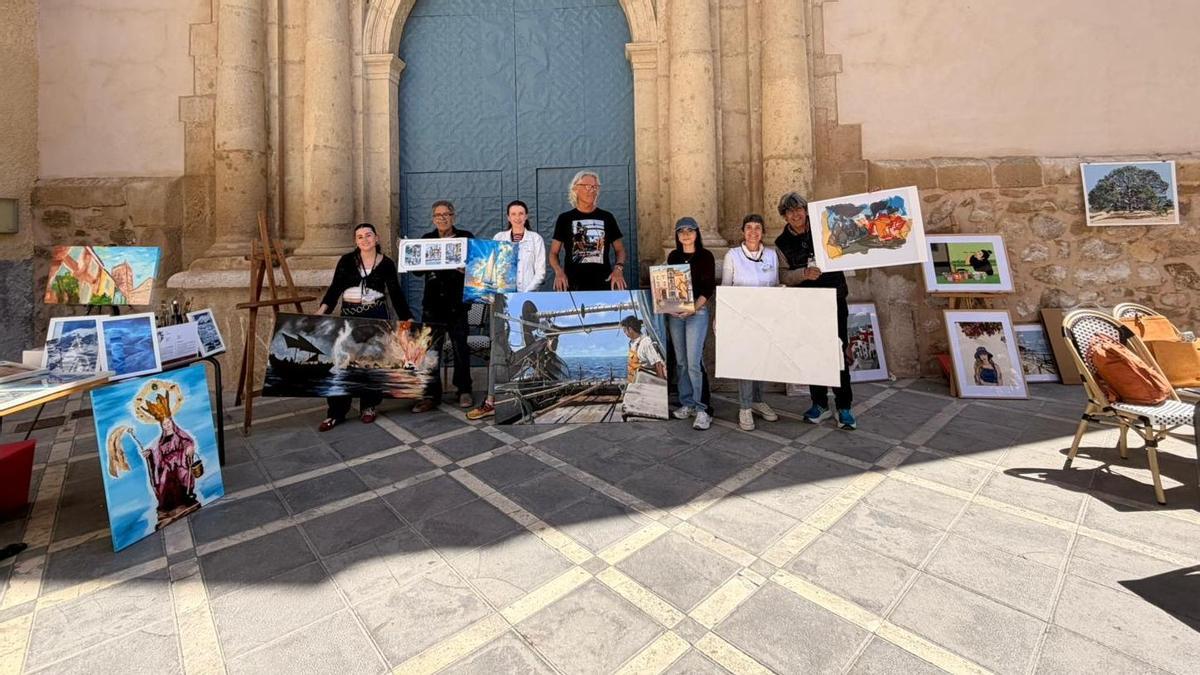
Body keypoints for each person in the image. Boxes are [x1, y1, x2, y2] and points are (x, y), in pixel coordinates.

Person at [316, 223, 412, 431]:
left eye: (368, 235)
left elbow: (395, 293)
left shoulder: (386, 263)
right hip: (349, 317)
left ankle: (368, 406)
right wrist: (320, 312)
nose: (365, 239)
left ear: (376, 238)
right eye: (360, 237)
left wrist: (407, 318)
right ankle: (335, 412)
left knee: (371, 362)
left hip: (375, 316)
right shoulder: (346, 261)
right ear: (356, 241)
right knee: (343, 363)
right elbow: (334, 289)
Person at [775, 192, 857, 430]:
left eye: (799, 209)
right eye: (790, 211)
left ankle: (844, 407)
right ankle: (819, 404)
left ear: (806, 210)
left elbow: (855, 224)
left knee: (838, 351)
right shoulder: (781, 243)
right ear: (785, 216)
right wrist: (802, 274)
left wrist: (873, 198)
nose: (796, 214)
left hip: (834, 297)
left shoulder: (826, 228)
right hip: (807, 302)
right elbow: (782, 275)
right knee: (812, 352)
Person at [467, 200, 547, 420]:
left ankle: (531, 393)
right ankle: (491, 400)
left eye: (521, 213)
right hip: (500, 302)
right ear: (508, 216)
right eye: (514, 213)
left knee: (527, 342)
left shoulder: (536, 239)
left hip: (524, 300)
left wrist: (523, 294)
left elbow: (540, 272)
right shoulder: (499, 238)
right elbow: (489, 269)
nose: (518, 217)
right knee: (498, 347)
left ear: (527, 216)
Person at [412, 201, 474, 413]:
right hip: (432, 305)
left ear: (453, 216)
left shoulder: (466, 238)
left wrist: (466, 270)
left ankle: (464, 389)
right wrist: (409, 255)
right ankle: (431, 395)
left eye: (446, 214)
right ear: (433, 219)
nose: (442, 218)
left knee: (460, 349)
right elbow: (416, 272)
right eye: (438, 215)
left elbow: (477, 268)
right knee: (431, 353)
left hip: (458, 304)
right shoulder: (426, 240)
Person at [721, 214, 781, 432]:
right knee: (746, 362)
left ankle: (757, 400)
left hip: (765, 318)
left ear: (763, 232)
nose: (753, 232)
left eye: (757, 228)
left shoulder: (772, 256)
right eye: (749, 228)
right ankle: (745, 407)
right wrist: (722, 318)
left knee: (762, 360)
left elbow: (775, 284)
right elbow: (726, 288)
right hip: (741, 318)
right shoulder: (733, 255)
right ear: (742, 232)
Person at [666, 217, 715, 431]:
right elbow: (668, 285)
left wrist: (693, 308)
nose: (685, 234)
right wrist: (670, 306)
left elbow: (707, 288)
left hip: (698, 312)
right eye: (681, 231)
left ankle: (703, 408)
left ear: (697, 233)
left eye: (690, 230)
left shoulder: (706, 256)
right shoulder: (673, 256)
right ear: (677, 236)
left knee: (695, 361)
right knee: (681, 361)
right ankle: (687, 403)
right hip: (676, 314)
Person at [549, 171, 627, 291]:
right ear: (575, 189)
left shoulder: (607, 217)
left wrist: (618, 269)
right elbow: (553, 253)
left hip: (603, 284)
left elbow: (620, 249)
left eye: (595, 187)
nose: (591, 190)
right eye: (587, 186)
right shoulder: (564, 219)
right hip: (572, 285)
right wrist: (559, 272)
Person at [620, 316, 666, 381]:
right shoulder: (632, 343)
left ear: (630, 329)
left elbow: (657, 363)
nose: (624, 333)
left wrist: (661, 384)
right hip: (635, 381)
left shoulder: (646, 342)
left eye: (624, 330)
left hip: (646, 382)